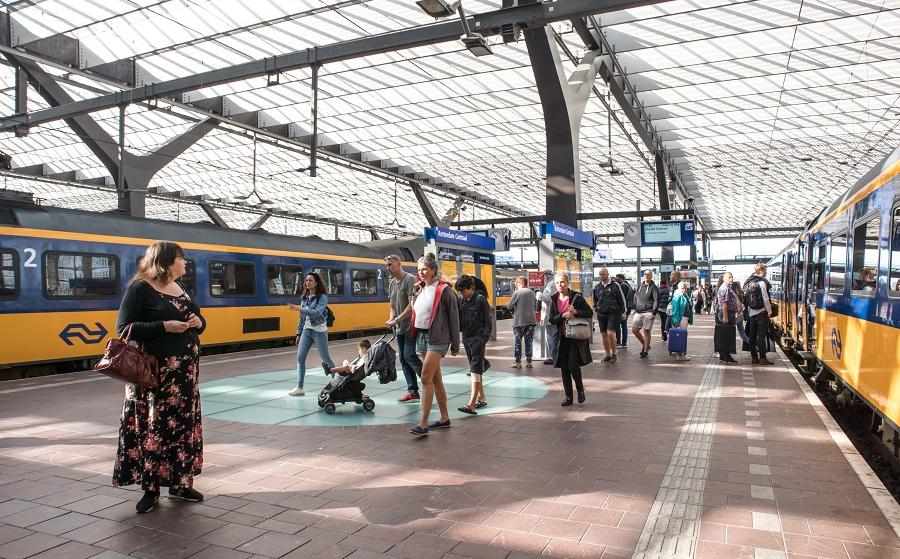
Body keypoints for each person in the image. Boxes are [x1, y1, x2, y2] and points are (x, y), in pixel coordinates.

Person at [114, 241, 206, 514]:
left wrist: (199, 323)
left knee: (182, 427)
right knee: (154, 428)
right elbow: (124, 328)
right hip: (154, 378)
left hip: (184, 378)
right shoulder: (140, 288)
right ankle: (150, 488)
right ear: (166, 261)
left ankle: (179, 484)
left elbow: (197, 319)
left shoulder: (182, 288)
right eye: (181, 258)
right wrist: (164, 326)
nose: (185, 263)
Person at [408, 253, 460, 436]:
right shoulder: (420, 289)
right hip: (422, 336)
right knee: (436, 379)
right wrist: (416, 294)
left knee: (425, 377)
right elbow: (416, 311)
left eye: (424, 269)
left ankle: (423, 423)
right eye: (419, 269)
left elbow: (454, 317)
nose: (421, 272)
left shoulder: (444, 290)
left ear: (433, 270)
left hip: (438, 338)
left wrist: (455, 343)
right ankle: (444, 417)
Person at [547, 271, 593, 406]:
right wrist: (562, 315)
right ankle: (568, 396)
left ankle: (580, 390)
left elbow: (589, 312)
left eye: (562, 282)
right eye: (557, 283)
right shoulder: (554, 299)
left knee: (573, 365)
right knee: (564, 367)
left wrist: (576, 312)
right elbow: (551, 319)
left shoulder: (576, 297)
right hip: (561, 338)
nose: (559, 285)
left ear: (567, 283)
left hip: (575, 337)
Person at [288, 273, 336, 396]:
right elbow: (301, 317)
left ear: (316, 282)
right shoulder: (304, 298)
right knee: (300, 358)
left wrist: (300, 309)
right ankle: (300, 387)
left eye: (310, 280)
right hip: (306, 331)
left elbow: (316, 313)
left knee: (326, 359)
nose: (307, 282)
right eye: (306, 280)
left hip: (319, 331)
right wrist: (298, 333)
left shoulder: (322, 297)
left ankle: (338, 383)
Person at [384, 254, 423, 403]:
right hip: (399, 328)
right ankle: (412, 391)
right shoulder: (392, 283)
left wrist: (397, 319)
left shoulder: (410, 280)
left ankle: (429, 381)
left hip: (410, 326)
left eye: (390, 265)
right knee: (404, 359)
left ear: (399, 264)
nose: (388, 268)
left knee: (409, 356)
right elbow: (392, 306)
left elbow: (411, 305)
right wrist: (391, 318)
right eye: (386, 265)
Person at [456, 275, 492, 415]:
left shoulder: (480, 300)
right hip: (467, 338)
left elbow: (488, 322)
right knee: (476, 368)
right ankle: (481, 398)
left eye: (463, 290)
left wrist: (482, 339)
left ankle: (471, 404)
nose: (461, 293)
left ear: (471, 287)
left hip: (477, 339)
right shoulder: (461, 300)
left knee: (475, 371)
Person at [592, 267, 626, 364]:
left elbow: (621, 299)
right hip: (601, 313)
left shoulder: (615, 285)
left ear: (607, 274)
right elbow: (595, 299)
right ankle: (608, 354)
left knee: (611, 333)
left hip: (613, 312)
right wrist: (596, 309)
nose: (601, 276)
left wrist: (624, 312)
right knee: (604, 335)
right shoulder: (598, 287)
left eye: (603, 274)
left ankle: (614, 353)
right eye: (600, 274)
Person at [744, 263, 774, 366]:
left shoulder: (749, 282)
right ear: (761, 271)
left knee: (752, 336)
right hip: (761, 313)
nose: (766, 272)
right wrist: (769, 312)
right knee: (761, 336)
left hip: (752, 313)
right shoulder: (762, 283)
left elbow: (746, 299)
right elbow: (765, 299)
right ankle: (763, 357)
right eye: (765, 270)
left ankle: (754, 358)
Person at [507, 275, 537, 368]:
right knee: (529, 341)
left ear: (518, 283)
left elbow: (509, 306)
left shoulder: (517, 293)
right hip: (531, 321)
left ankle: (518, 362)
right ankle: (529, 361)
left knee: (518, 342)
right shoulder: (532, 293)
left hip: (519, 321)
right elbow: (535, 306)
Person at [631, 269, 659, 359]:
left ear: (651, 276)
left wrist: (654, 312)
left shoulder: (653, 287)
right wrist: (635, 307)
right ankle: (646, 345)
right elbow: (635, 297)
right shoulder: (640, 286)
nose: (647, 276)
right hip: (638, 312)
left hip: (649, 312)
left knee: (646, 331)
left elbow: (656, 300)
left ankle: (645, 351)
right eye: (645, 274)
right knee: (634, 330)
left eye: (649, 274)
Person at [716, 272, 741, 364]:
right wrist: (726, 317)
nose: (732, 279)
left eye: (732, 277)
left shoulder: (726, 287)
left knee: (724, 335)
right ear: (724, 278)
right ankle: (726, 355)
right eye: (729, 277)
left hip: (728, 313)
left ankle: (723, 355)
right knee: (728, 335)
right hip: (727, 314)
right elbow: (724, 303)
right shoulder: (725, 288)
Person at [668, 281, 693, 361]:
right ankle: (680, 354)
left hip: (684, 318)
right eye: (682, 288)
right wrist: (676, 321)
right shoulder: (678, 296)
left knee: (682, 335)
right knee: (680, 336)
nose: (684, 289)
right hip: (681, 318)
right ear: (678, 288)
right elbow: (675, 309)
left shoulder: (684, 295)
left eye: (685, 288)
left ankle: (681, 353)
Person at [538, 269, 558, 364]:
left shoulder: (551, 284)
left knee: (550, 336)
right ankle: (554, 356)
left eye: (544, 276)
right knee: (553, 335)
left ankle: (553, 357)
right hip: (554, 313)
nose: (544, 279)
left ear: (547, 275)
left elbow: (545, 298)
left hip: (550, 314)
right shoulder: (554, 283)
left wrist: (538, 294)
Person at [614, 274, 634, 348]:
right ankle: (624, 343)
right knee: (624, 325)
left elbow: (620, 298)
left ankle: (618, 342)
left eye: (616, 277)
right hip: (628, 308)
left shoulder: (621, 285)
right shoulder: (628, 285)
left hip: (621, 308)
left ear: (619, 278)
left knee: (618, 325)